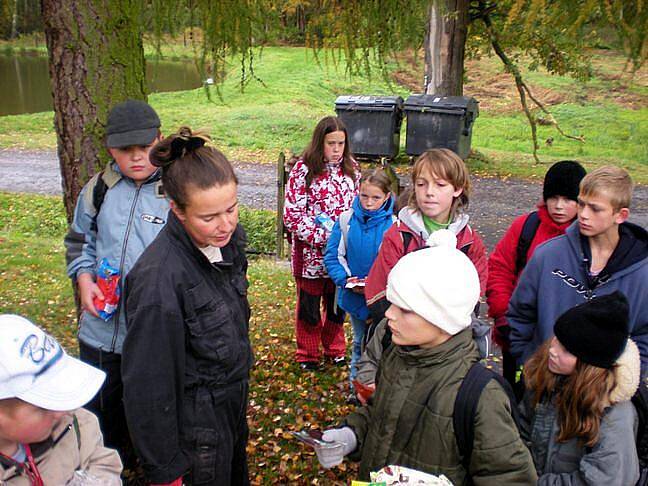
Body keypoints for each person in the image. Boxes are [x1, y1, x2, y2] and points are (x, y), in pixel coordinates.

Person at [316, 236, 537, 484]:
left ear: (443, 318)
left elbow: (510, 477)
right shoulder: (396, 356)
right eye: (392, 303)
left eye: (405, 309)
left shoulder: (480, 396)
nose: (388, 313)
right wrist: (351, 435)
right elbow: (384, 417)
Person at [122, 127, 253, 485]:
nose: (225, 225)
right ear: (177, 210)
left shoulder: (227, 242)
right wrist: (166, 471)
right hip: (195, 436)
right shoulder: (158, 282)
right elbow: (147, 386)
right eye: (208, 217)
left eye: (232, 209)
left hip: (230, 413)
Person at [64, 99, 168, 461]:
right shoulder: (99, 189)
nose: (137, 157)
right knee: (101, 409)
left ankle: (148, 464)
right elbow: (79, 240)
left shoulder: (176, 192)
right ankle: (106, 465)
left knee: (147, 407)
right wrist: (84, 278)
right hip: (99, 331)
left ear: (161, 139)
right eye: (126, 150)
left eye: (145, 147)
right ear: (111, 149)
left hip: (151, 333)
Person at [508, 166, 648, 369]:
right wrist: (530, 362)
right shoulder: (548, 255)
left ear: (620, 215)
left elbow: (644, 334)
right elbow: (520, 313)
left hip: (603, 392)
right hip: (543, 383)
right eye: (581, 204)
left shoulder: (641, 271)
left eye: (595, 208)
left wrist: (619, 380)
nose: (583, 214)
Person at [519, 291, 640, 485]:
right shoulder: (547, 378)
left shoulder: (616, 415)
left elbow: (606, 480)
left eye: (566, 350)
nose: (552, 350)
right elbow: (521, 430)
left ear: (588, 364)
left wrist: (535, 483)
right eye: (557, 339)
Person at [487, 160, 586, 386]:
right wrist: (504, 315)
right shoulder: (526, 227)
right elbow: (500, 268)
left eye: (568, 199)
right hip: (518, 333)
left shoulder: (588, 238)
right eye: (553, 198)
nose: (559, 206)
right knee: (515, 392)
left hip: (569, 344)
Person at [365, 148, 487, 329]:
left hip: (449, 337)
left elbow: (474, 292)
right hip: (401, 335)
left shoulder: (468, 241)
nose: (429, 192)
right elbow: (379, 290)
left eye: (440, 185)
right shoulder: (398, 236)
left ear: (458, 188)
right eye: (422, 184)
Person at [0, 314, 122, 485]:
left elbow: (101, 461)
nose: (61, 411)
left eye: (58, 393)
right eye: (43, 406)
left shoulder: (77, 422)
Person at [283, 116, 360, 370]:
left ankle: (335, 349)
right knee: (309, 307)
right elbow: (293, 214)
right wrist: (322, 237)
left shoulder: (352, 170)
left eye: (341, 143)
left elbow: (358, 207)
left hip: (342, 256)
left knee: (338, 305)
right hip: (310, 257)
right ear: (320, 143)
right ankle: (308, 354)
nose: (336, 149)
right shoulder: (303, 171)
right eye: (331, 143)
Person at [323, 168, 394, 397]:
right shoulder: (345, 220)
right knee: (359, 342)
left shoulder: (394, 225)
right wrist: (345, 279)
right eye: (364, 196)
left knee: (381, 345)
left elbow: (395, 263)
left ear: (387, 197)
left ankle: (379, 389)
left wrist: (379, 285)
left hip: (383, 299)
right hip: (354, 296)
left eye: (376, 197)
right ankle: (357, 389)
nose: (369, 202)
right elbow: (333, 255)